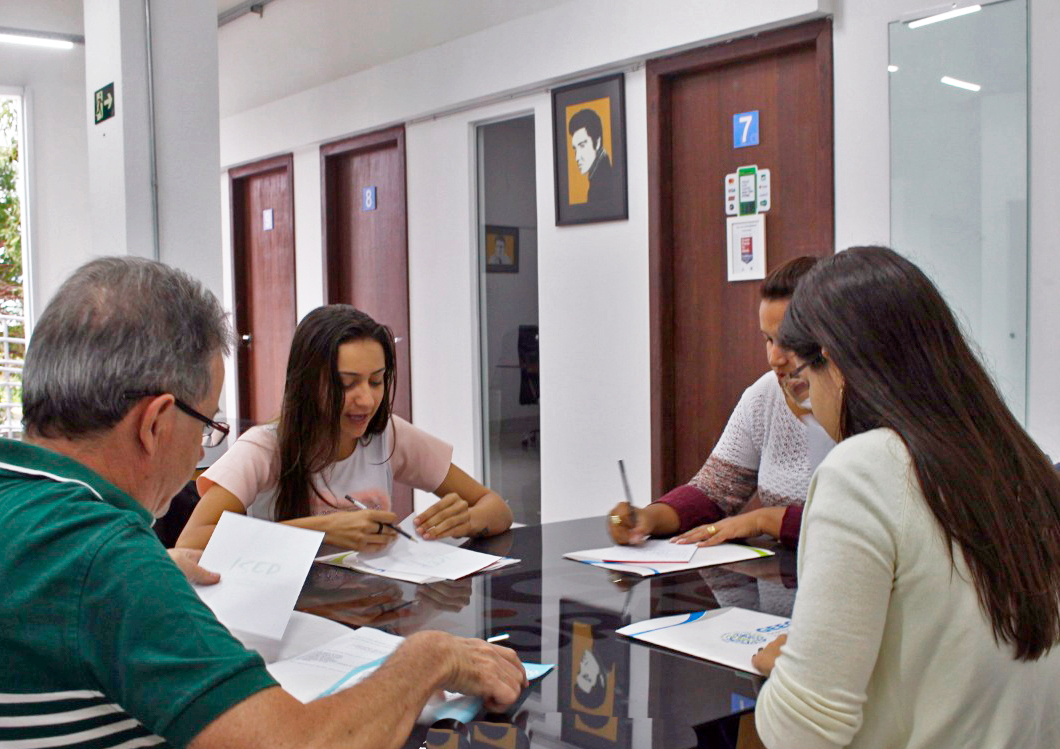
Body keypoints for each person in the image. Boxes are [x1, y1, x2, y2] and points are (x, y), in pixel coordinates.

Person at [0, 257, 526, 749]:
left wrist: (156, 565)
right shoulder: (108, 560)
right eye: (207, 425)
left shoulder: (34, 513)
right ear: (156, 422)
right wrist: (426, 659)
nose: (200, 452)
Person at [751, 247, 1060, 748]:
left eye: (806, 384)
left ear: (834, 361)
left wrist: (787, 676)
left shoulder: (861, 471)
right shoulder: (1018, 460)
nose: (813, 406)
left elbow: (802, 732)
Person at [178, 304, 513, 551]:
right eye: (347, 384)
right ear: (308, 382)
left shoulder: (388, 436)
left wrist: (464, 521)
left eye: (376, 381)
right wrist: (322, 529)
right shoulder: (265, 448)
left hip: (374, 608)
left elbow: (496, 508)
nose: (366, 400)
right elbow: (192, 539)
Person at [607, 256, 833, 549]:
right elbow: (714, 492)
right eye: (768, 339)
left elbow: (854, 527)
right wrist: (647, 518)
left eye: (789, 342)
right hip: (783, 581)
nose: (774, 357)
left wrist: (764, 520)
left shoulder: (869, 404)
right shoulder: (765, 396)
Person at [568, 107, 614, 204]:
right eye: (575, 149)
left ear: (597, 143)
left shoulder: (602, 183)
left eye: (582, 146)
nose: (577, 157)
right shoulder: (598, 177)